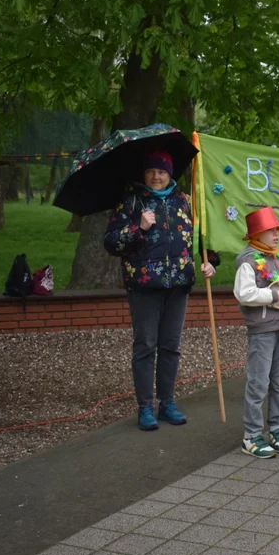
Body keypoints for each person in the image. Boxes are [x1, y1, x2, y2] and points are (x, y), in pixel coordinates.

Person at [103, 150, 218, 431]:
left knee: (171, 346)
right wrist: (138, 228)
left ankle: (167, 403)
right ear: (144, 174)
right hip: (144, 285)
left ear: (170, 175)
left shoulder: (185, 202)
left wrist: (209, 262)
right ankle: (145, 407)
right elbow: (111, 242)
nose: (157, 176)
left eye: (162, 172)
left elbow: (203, 239)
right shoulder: (131, 201)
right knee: (145, 346)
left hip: (178, 284)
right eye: (152, 171)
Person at [234, 207, 279, 458]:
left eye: (278, 229)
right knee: (259, 383)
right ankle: (251, 436)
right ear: (257, 234)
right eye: (271, 230)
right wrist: (275, 295)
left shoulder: (276, 258)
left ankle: (277, 427)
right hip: (262, 330)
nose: (276, 234)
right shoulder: (248, 260)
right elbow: (244, 294)